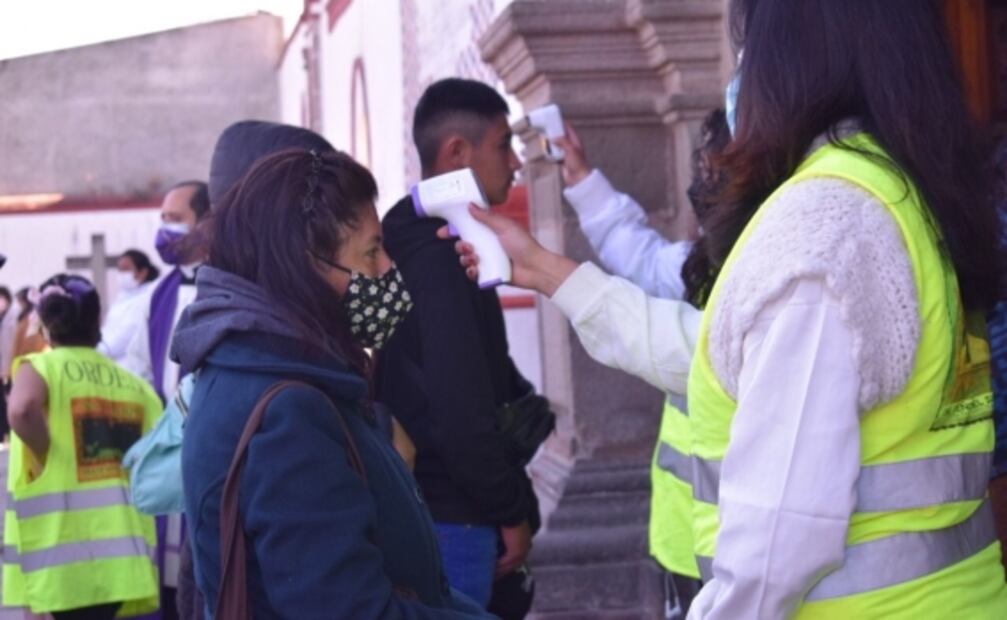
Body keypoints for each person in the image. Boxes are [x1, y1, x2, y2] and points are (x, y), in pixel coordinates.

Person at [453, 1, 1007, 616]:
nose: (739, 78)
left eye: (746, 52)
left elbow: (775, 551)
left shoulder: (825, 222)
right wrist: (545, 270)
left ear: (794, 59)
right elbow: (729, 354)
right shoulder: (894, 191)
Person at [173, 147, 492, 619]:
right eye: (372, 252)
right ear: (306, 265)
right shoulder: (288, 411)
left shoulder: (265, 369)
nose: (388, 270)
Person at [557, 109, 730, 618]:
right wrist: (583, 181)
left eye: (716, 171)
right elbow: (640, 255)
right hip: (682, 541)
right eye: (703, 170)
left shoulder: (774, 281)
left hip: (744, 553)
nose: (704, 186)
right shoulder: (698, 269)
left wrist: (551, 276)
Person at [375, 77, 539, 611]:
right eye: (504, 145)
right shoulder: (439, 256)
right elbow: (459, 407)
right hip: (458, 516)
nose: (515, 163)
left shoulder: (416, 239)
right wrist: (510, 510)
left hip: (437, 506)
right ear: (457, 152)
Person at [4, 274, 161, 619]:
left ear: (46, 324)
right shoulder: (137, 388)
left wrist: (45, 451)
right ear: (97, 320)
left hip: (60, 561)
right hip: (121, 560)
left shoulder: (43, 368)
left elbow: (21, 409)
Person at [123, 180, 210, 620]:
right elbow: (138, 371)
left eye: (175, 219)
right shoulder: (156, 297)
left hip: (211, 448)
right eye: (162, 219)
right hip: (170, 448)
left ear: (206, 222)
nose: (164, 229)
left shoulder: (231, 283)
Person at [99, 249, 160, 365]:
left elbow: (126, 335)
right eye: (120, 269)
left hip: (131, 365)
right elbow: (108, 328)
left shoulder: (147, 297)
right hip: (111, 360)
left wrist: (99, 350)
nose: (121, 274)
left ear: (142, 272)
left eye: (126, 269)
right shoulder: (123, 297)